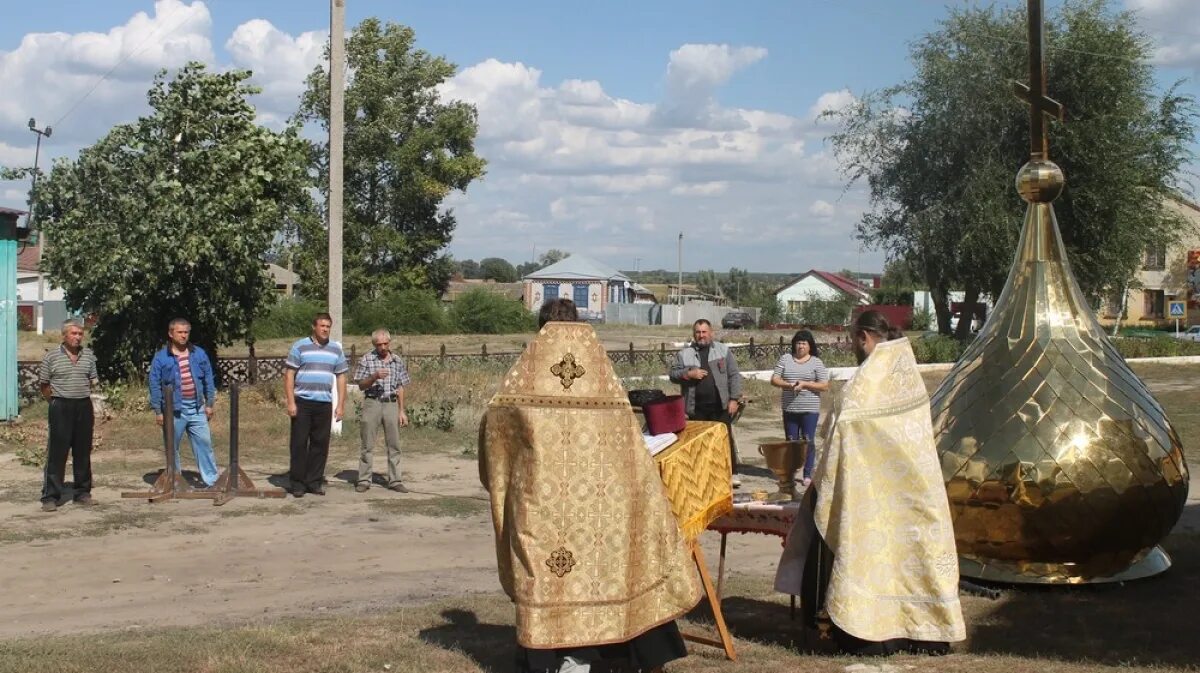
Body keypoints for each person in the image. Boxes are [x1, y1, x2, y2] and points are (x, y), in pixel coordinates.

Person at [479, 298, 699, 673]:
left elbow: (493, 437)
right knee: (609, 571)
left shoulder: (522, 381)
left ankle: (551, 658)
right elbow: (631, 453)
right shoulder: (603, 382)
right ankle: (617, 653)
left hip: (541, 509)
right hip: (601, 509)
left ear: (541, 326)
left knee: (547, 578)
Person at [774, 310, 965, 655]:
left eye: (853, 340)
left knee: (871, 555)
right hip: (914, 492)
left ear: (863, 337)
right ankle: (923, 632)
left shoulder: (866, 381)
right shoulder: (908, 372)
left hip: (869, 494)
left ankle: (869, 633)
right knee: (912, 556)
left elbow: (844, 428)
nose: (853, 346)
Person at [668, 319, 744, 486]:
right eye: (698, 332)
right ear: (693, 334)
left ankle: (731, 473)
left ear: (711, 333)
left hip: (720, 405)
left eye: (704, 332)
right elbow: (673, 374)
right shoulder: (685, 354)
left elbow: (734, 375)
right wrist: (689, 373)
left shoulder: (723, 351)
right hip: (696, 407)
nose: (701, 335)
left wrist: (734, 399)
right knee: (699, 442)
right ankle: (702, 475)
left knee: (724, 440)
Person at [148, 318, 220, 487]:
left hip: (196, 407)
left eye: (186, 332)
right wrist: (158, 411)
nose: (183, 336)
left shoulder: (199, 354)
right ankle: (175, 481)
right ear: (171, 333)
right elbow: (154, 384)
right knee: (172, 447)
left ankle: (211, 480)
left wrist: (209, 404)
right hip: (173, 410)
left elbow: (209, 379)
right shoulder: (161, 358)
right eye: (179, 332)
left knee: (205, 443)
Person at [283, 313, 348, 497]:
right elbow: (289, 375)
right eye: (322, 326)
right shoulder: (300, 346)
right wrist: (291, 402)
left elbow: (341, 377)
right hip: (303, 402)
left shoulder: (335, 349)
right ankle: (297, 483)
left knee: (320, 444)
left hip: (324, 402)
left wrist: (340, 404)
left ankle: (314, 481)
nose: (325, 329)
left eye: (328, 326)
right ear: (314, 327)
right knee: (299, 443)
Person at [38, 318, 99, 512]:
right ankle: (50, 496)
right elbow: (44, 385)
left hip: (83, 406)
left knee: (82, 451)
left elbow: (91, 381)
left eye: (80, 334)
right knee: (57, 452)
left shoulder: (88, 356)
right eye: (74, 334)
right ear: (64, 335)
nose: (78, 337)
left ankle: (82, 492)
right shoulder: (52, 357)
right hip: (60, 406)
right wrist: (55, 402)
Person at [769, 330, 830, 487]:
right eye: (798, 342)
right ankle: (790, 473)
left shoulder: (816, 362)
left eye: (804, 343)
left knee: (808, 441)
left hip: (809, 409)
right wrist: (788, 385)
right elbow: (774, 380)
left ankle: (807, 474)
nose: (800, 346)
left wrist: (805, 384)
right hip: (789, 408)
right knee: (791, 442)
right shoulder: (786, 359)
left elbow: (824, 385)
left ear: (810, 346)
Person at [353, 328, 411, 493]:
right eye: (379, 344)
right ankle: (364, 480)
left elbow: (400, 386)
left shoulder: (397, 360)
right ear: (374, 345)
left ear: (389, 343)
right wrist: (374, 377)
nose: (383, 347)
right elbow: (360, 384)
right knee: (367, 444)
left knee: (394, 444)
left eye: (386, 343)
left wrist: (401, 410)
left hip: (391, 403)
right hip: (372, 402)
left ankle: (395, 480)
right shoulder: (367, 359)